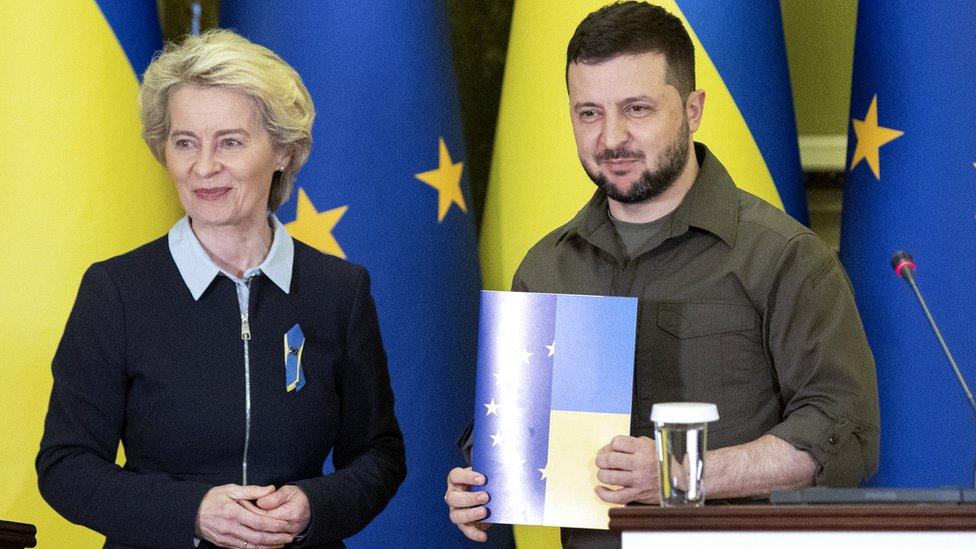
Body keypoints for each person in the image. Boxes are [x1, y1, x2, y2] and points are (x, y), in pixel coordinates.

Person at [445, 2, 879, 546]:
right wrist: (483, 492)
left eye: (637, 108)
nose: (611, 138)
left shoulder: (785, 257)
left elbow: (844, 434)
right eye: (589, 113)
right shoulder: (546, 266)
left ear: (693, 110)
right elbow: (519, 434)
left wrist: (682, 474)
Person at [36, 29, 405, 549]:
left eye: (229, 141)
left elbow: (379, 455)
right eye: (185, 142)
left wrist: (314, 508)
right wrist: (193, 512)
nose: (203, 166)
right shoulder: (115, 292)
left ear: (283, 151)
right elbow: (65, 466)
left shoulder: (339, 291)